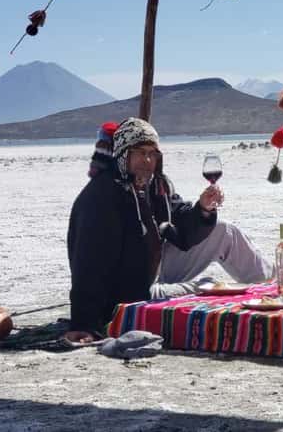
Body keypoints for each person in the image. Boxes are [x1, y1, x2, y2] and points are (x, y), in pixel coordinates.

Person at [65, 117, 271, 343]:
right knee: (207, 288)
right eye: (139, 152)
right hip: (127, 294)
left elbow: (181, 227)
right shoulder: (101, 197)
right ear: (123, 154)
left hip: (150, 268)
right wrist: (84, 324)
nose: (147, 160)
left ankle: (272, 288)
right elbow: (88, 264)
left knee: (224, 231)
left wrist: (203, 209)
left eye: (152, 153)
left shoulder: (155, 185)